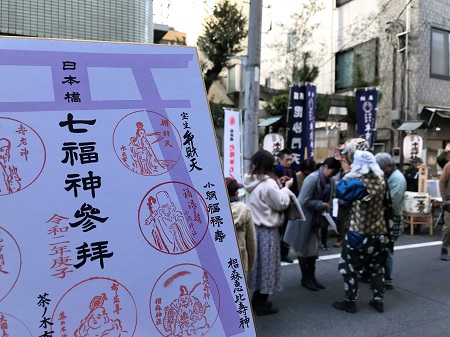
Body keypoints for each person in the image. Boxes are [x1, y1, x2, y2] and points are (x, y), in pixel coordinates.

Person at [332, 150, 388, 314]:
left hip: (359, 232)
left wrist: (348, 174)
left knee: (349, 268)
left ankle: (350, 301)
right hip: (379, 232)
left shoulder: (358, 182)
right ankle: (378, 300)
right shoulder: (381, 179)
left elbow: (341, 191)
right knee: (377, 268)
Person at [243, 149, 293, 316]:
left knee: (257, 266)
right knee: (268, 267)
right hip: (268, 231)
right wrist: (285, 189)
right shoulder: (268, 183)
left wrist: (278, 185)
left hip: (254, 229)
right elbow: (281, 203)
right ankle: (262, 305)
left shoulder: (250, 180)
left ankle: (255, 301)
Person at [283, 157, 341, 291]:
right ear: (325, 166)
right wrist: (321, 204)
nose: (333, 174)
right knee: (303, 249)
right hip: (305, 218)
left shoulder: (329, 180)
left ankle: (312, 277)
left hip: (316, 219)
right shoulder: (313, 179)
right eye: (332, 171)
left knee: (313, 250)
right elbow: (304, 201)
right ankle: (306, 278)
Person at [375, 152, 407, 290]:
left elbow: (392, 202)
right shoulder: (389, 175)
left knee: (388, 249)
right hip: (386, 216)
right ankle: (379, 276)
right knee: (383, 247)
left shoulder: (397, 179)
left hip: (392, 217)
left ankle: (387, 278)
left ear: (387, 167)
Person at [333, 138, 370, 247]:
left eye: (344, 160)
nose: (343, 163)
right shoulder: (374, 176)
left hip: (358, 224)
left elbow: (340, 191)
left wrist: (347, 174)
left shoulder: (358, 178)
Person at [225, 177, 256, 277]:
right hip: (239, 258)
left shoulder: (214, 212)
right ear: (236, 193)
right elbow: (251, 240)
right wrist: (250, 265)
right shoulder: (243, 209)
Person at [273, 148, 297, 263]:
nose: (289, 162)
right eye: (287, 159)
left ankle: (284, 253)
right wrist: (282, 184)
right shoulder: (274, 172)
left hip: (289, 204)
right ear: (280, 159)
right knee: (277, 231)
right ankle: (275, 254)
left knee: (287, 230)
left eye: (290, 160)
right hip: (277, 206)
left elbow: (296, 189)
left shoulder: (292, 171)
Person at [439, 160, 450, 261]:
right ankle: (445, 248)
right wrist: (444, 199)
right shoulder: (449, 165)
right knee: (448, 228)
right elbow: (442, 181)